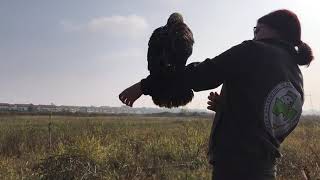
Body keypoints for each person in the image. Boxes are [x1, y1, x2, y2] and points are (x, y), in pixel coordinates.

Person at [119, 9, 314, 179]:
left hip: (235, 168)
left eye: (258, 30)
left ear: (277, 31)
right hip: (265, 169)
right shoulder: (295, 74)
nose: (254, 35)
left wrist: (144, 86)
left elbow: (202, 75)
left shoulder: (254, 50)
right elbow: (272, 122)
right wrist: (229, 106)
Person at [146, 12, 194, 108]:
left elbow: (152, 60)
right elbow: (184, 52)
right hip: (175, 75)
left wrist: (156, 77)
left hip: (159, 76)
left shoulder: (157, 33)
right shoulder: (183, 30)